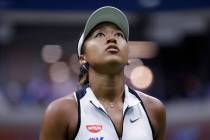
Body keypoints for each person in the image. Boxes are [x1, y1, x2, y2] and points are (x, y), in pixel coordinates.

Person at [39, 6, 166, 140]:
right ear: (83, 57)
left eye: (119, 35)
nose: (112, 39)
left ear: (128, 57)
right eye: (100, 34)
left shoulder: (154, 109)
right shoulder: (61, 112)